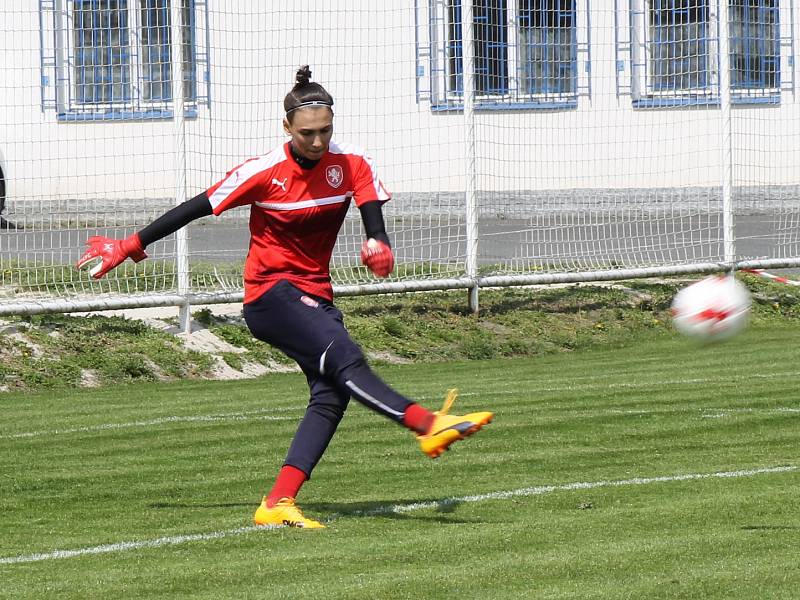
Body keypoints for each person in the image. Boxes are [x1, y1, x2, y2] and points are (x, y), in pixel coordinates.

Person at [77, 66, 493, 529]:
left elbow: (376, 228)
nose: (318, 142)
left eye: (326, 131)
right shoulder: (263, 172)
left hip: (315, 294)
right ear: (288, 128)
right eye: (308, 133)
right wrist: (129, 246)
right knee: (345, 358)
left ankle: (276, 504)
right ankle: (425, 424)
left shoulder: (352, 163)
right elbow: (194, 207)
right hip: (270, 297)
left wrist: (381, 250)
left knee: (331, 395)